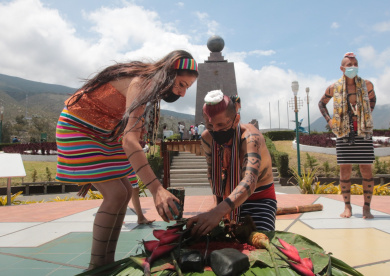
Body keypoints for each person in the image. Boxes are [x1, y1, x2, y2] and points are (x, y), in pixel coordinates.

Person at [55, 50, 198, 270]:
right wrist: (157, 189)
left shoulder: (148, 87)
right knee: (115, 194)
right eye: (181, 84)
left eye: (187, 87)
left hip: (105, 132)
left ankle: (107, 263)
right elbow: (129, 142)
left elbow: (131, 132)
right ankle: (96, 266)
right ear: (168, 74)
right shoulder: (144, 83)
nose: (183, 92)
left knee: (122, 193)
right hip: (79, 128)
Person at [187, 90, 277, 236]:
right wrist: (217, 211)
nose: (215, 131)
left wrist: (218, 211)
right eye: (210, 126)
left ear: (236, 120)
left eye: (221, 125)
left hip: (259, 201)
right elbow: (213, 174)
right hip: (226, 202)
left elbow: (249, 181)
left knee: (257, 247)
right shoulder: (207, 138)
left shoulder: (251, 137)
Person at [318, 52, 376, 219]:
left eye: (355, 64)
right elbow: (321, 103)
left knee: (366, 170)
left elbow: (373, 99)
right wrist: (329, 120)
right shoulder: (334, 87)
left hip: (363, 132)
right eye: (349, 65)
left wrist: (366, 113)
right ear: (342, 68)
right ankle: (347, 207)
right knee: (345, 171)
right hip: (343, 132)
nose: (353, 67)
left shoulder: (367, 85)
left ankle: (366, 208)